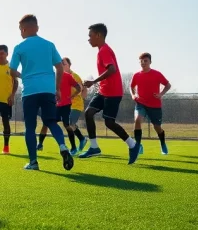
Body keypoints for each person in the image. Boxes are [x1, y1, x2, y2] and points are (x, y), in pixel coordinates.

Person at [9, 14, 74, 171]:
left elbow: (12, 70)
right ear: (37, 27)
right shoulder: (49, 45)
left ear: (23, 29)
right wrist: (56, 88)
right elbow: (59, 67)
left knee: (30, 127)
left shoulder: (19, 47)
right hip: (48, 90)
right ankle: (63, 147)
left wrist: (22, 75)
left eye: (20, 30)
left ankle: (33, 162)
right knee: (51, 121)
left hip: (30, 91)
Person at [79, 23, 141, 164]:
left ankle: (133, 145)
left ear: (99, 35)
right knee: (88, 113)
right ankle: (94, 147)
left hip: (113, 92)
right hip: (103, 91)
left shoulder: (104, 51)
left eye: (90, 36)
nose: (88, 39)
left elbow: (112, 69)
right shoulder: (101, 50)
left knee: (109, 122)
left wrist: (94, 81)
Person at [37, 58, 81, 155]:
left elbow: (78, 87)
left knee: (67, 125)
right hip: (55, 105)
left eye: (62, 64)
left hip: (65, 105)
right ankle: (40, 144)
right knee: (47, 123)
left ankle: (73, 147)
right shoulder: (51, 77)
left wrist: (73, 96)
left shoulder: (68, 76)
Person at [130, 53, 171, 155]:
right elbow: (131, 87)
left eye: (145, 61)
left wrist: (161, 94)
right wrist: (133, 95)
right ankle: (138, 146)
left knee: (157, 128)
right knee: (137, 120)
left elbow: (168, 85)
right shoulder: (136, 75)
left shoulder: (157, 74)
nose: (143, 63)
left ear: (150, 62)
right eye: (141, 61)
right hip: (141, 103)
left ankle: (162, 144)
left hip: (155, 105)